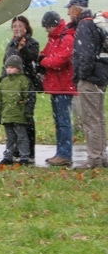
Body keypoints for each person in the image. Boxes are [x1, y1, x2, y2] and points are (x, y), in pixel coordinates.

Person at [65, 0, 108, 169]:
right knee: (98, 118)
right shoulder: (93, 24)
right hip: (100, 76)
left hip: (90, 79)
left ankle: (94, 158)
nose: (68, 13)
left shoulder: (84, 26)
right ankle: (101, 155)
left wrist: (80, 76)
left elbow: (85, 55)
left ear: (76, 9)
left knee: (90, 119)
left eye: (69, 9)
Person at [38, 11, 76, 167]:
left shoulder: (67, 38)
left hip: (63, 87)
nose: (47, 30)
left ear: (53, 25)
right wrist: (43, 58)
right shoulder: (53, 39)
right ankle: (60, 153)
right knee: (59, 122)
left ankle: (64, 154)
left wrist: (43, 61)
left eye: (48, 27)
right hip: (55, 86)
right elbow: (45, 54)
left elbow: (59, 61)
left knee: (63, 122)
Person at [0, 16, 40, 162]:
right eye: (14, 26)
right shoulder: (10, 44)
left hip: (26, 85)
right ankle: (14, 152)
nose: (17, 29)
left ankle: (28, 154)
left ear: (26, 28)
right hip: (11, 86)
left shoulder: (32, 43)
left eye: (20, 26)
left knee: (26, 119)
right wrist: (2, 79)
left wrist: (22, 49)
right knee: (12, 120)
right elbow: (6, 62)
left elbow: (30, 60)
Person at [0, 54, 35, 166]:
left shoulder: (24, 81)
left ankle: (24, 157)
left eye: (12, 67)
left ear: (19, 68)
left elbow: (29, 98)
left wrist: (27, 112)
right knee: (9, 138)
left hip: (20, 115)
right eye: (7, 67)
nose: (9, 69)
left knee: (22, 137)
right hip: (7, 115)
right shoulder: (4, 82)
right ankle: (8, 156)